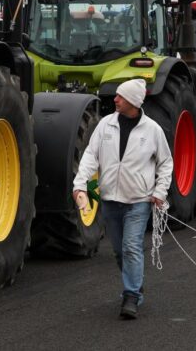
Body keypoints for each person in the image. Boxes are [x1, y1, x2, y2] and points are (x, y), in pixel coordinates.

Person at [72, 78, 173, 319]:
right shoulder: (106, 125)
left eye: (120, 97)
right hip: (110, 201)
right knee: (119, 251)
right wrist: (80, 184)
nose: (115, 100)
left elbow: (166, 163)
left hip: (138, 201)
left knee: (131, 247)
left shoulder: (152, 131)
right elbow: (90, 156)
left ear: (134, 102)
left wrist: (159, 192)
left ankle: (130, 296)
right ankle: (135, 284)